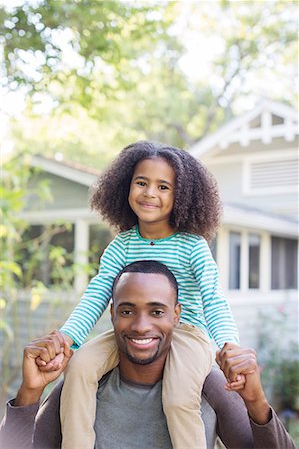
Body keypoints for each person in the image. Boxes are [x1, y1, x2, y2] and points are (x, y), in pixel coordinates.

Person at [40, 141, 241, 449]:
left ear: (182, 196)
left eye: (164, 187)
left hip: (186, 332)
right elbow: (97, 295)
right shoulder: (121, 245)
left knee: (178, 398)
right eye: (142, 183)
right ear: (126, 187)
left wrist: (229, 345)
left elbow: (213, 297)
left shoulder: (192, 246)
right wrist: (69, 338)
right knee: (79, 367)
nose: (150, 193)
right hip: (131, 328)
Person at [0, 261, 295, 449]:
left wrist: (256, 402)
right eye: (127, 311)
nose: (141, 326)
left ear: (177, 316)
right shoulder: (82, 386)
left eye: (157, 311)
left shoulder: (209, 386)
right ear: (113, 314)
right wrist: (30, 392)